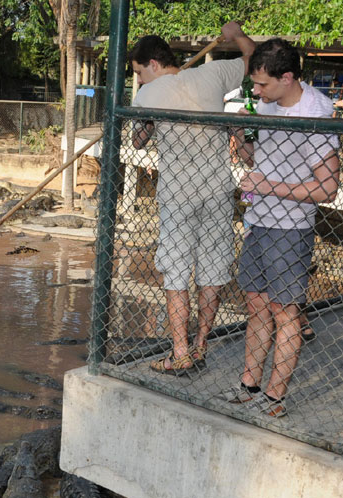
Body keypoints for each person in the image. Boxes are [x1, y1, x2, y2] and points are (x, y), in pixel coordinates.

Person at [129, 21, 256, 375]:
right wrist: (237, 35)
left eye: (139, 72)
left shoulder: (147, 96)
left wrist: (149, 119)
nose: (138, 80)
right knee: (212, 271)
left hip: (178, 196)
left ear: (153, 64)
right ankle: (200, 348)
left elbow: (138, 142)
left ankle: (181, 352)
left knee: (175, 274)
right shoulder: (212, 73)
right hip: (217, 189)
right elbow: (252, 56)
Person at [223, 38, 340, 418]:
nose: (255, 91)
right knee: (255, 303)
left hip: (290, 227)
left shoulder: (315, 112)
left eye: (262, 85)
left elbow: (328, 187)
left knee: (284, 309)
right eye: (254, 85)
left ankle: (275, 397)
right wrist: (241, 137)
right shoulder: (267, 101)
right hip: (258, 219)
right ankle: (249, 384)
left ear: (287, 77)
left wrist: (268, 187)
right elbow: (257, 156)